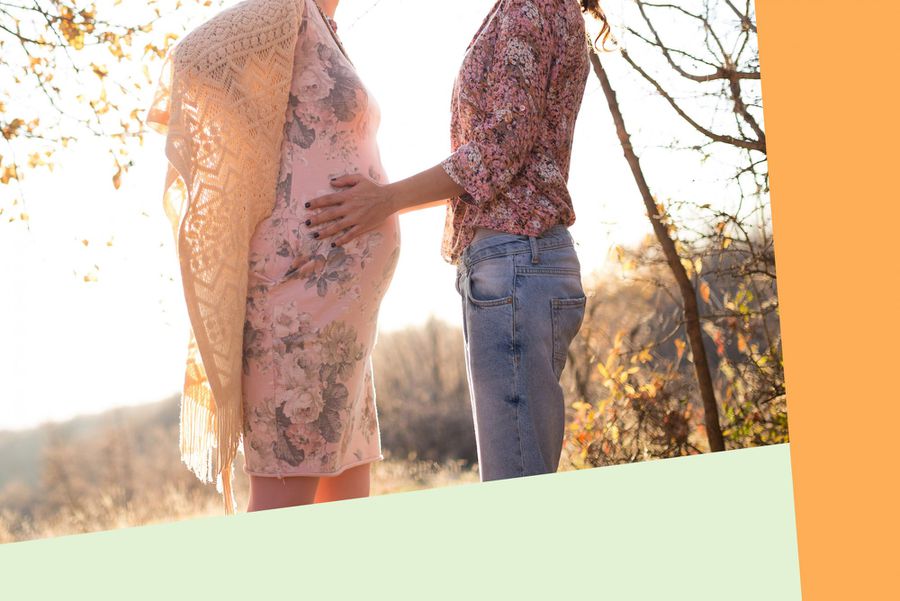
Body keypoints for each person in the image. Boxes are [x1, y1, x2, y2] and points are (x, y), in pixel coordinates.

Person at [306, 0, 611, 481]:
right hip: (517, 264)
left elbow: (499, 146)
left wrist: (385, 200)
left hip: (514, 261)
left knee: (515, 481)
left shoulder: (530, 7)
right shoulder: (539, 7)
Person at [147, 0, 400, 512]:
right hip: (298, 302)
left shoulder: (325, 25)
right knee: (284, 506)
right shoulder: (284, 10)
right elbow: (192, 56)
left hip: (344, 322)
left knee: (346, 504)